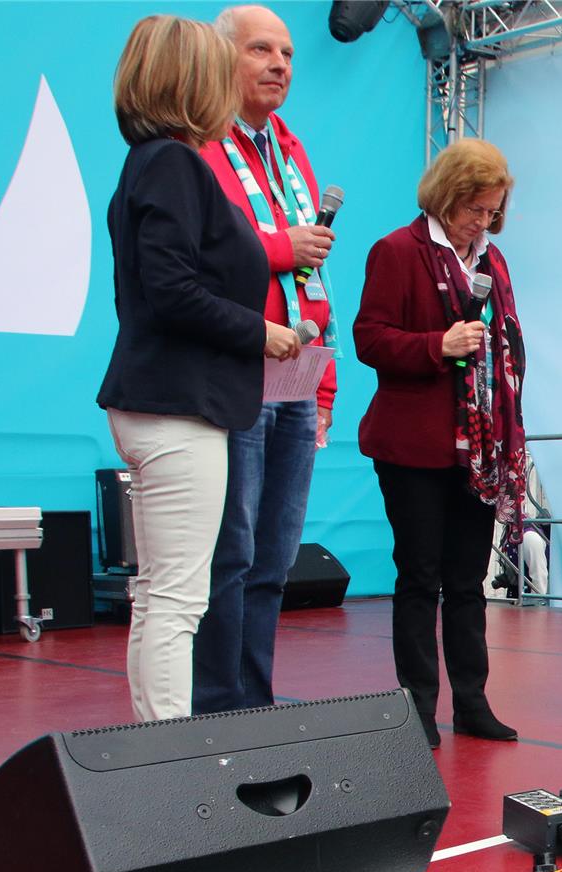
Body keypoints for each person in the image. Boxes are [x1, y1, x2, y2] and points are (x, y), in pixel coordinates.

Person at [97, 15, 301, 721]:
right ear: (196, 80)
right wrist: (261, 332)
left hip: (168, 402)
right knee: (178, 597)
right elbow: (173, 290)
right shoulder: (175, 164)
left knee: (162, 593)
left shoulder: (155, 162)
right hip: (179, 406)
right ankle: (172, 753)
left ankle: (164, 744)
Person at [355, 139, 527, 749]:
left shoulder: (493, 261)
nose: (480, 221)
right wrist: (438, 346)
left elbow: (505, 343)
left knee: (466, 580)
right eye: (472, 209)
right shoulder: (398, 251)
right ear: (446, 197)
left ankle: (473, 702)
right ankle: (418, 708)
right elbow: (369, 340)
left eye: (490, 211)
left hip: (479, 450)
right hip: (413, 445)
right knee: (418, 576)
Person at [193, 4, 338, 714]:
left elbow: (313, 281)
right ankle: (218, 704)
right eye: (261, 49)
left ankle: (253, 697)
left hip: (297, 377)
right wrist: (284, 246)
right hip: (236, 371)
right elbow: (215, 256)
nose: (280, 63)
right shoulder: (198, 144)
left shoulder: (290, 148)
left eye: (287, 52)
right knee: (233, 551)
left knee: (276, 556)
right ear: (223, 60)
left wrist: (325, 385)